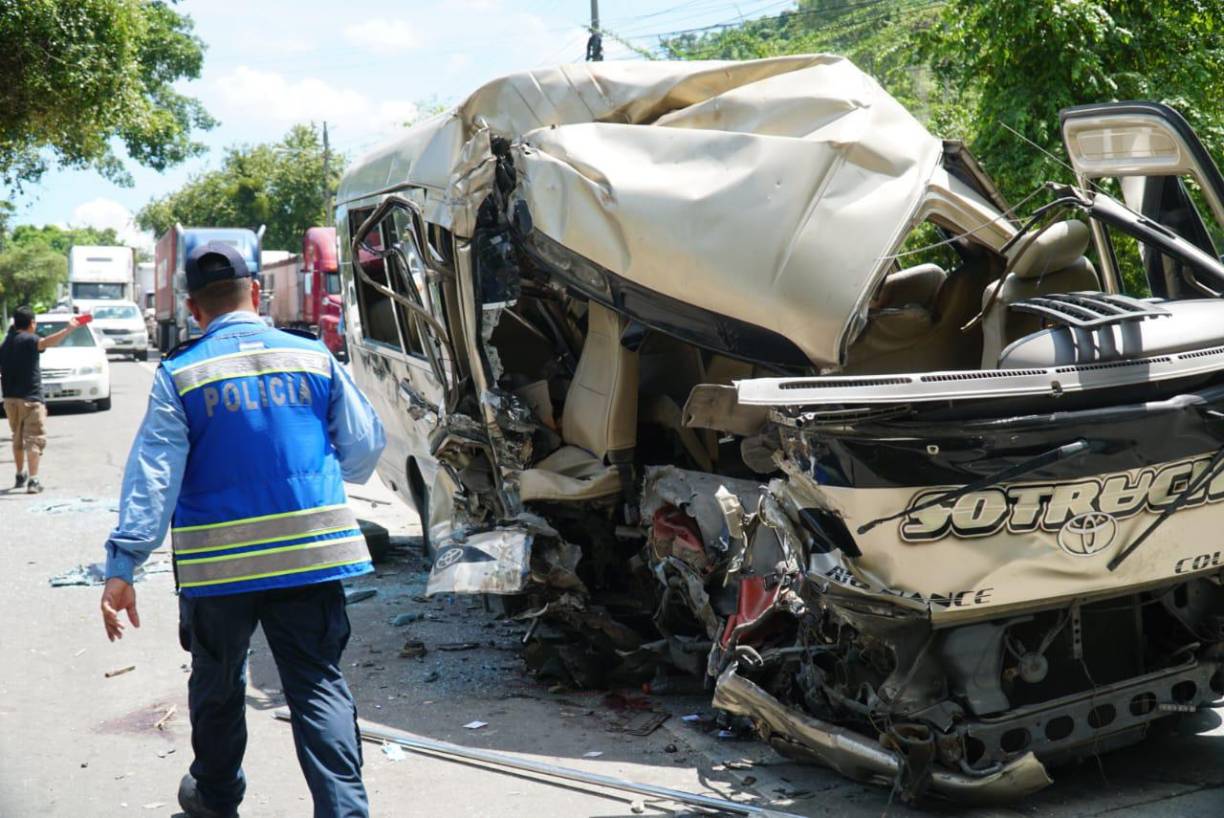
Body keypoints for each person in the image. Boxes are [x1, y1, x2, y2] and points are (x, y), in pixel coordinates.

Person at [98, 243, 385, 818]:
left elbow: (156, 474)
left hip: (218, 570)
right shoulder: (313, 356)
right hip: (311, 556)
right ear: (257, 294)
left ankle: (217, 797)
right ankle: (345, 811)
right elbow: (363, 450)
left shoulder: (181, 372)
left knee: (218, 684)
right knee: (317, 684)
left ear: (193, 309)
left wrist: (123, 565)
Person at [1, 305, 83, 493]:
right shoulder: (30, 339)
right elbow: (46, 343)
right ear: (31, 323)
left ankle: (19, 474)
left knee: (17, 437)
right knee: (34, 439)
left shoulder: (6, 343)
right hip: (31, 398)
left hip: (10, 399)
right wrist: (69, 329)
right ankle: (33, 480)